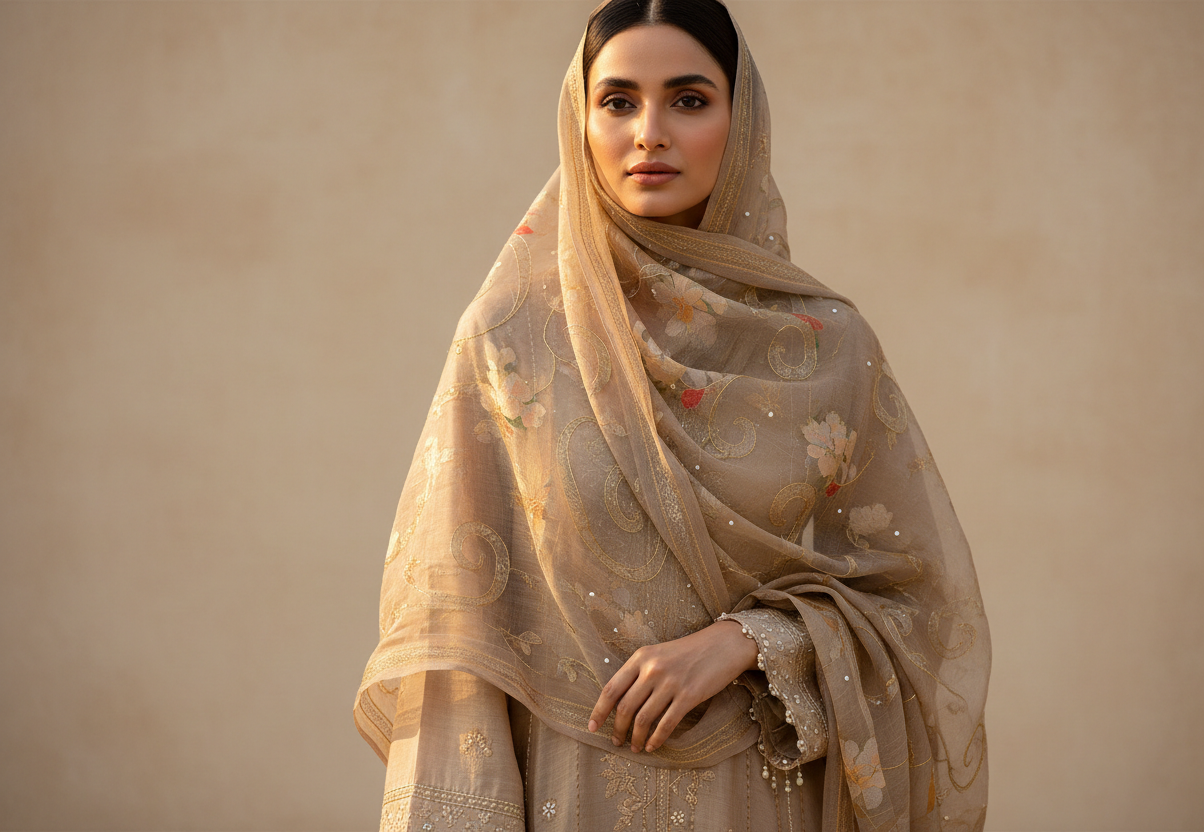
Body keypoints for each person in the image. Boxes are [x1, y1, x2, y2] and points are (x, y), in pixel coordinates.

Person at [355, 0, 990, 829]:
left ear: (743, 122)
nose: (648, 131)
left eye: (689, 100)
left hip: (762, 794)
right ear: (579, 121)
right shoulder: (513, 342)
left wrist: (751, 642)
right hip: (569, 794)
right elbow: (458, 636)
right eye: (617, 101)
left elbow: (917, 606)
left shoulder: (826, 347)